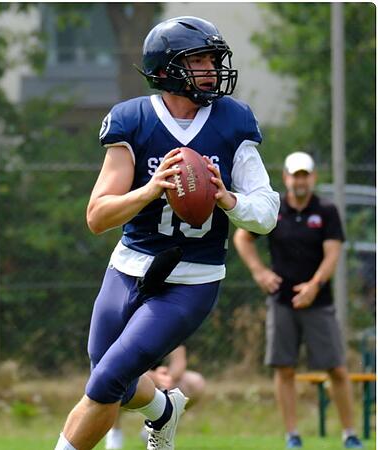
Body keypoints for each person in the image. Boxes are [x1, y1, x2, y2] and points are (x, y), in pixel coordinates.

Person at [54, 16, 279, 450]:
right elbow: (98, 217)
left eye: (213, 59)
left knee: (106, 380)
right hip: (127, 267)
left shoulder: (233, 121)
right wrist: (151, 188)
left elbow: (267, 214)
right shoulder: (133, 119)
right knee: (109, 375)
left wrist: (226, 199)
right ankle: (164, 409)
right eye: (199, 60)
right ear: (166, 68)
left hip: (192, 279)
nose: (212, 69)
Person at [233, 151, 363, 449]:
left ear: (313, 177)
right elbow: (243, 238)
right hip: (281, 300)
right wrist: (259, 272)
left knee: (337, 369)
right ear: (286, 178)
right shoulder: (274, 209)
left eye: (305, 174)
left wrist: (314, 286)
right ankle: (292, 435)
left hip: (318, 301)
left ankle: (350, 434)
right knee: (284, 367)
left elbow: (332, 254)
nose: (300, 180)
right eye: (295, 175)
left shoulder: (326, 211)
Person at [105, 345, 206, 449]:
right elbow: (118, 363)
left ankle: (159, 426)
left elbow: (178, 361)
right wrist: (153, 376)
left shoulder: (169, 328)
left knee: (195, 383)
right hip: (132, 377)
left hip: (161, 382)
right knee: (113, 382)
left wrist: (167, 377)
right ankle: (114, 432)